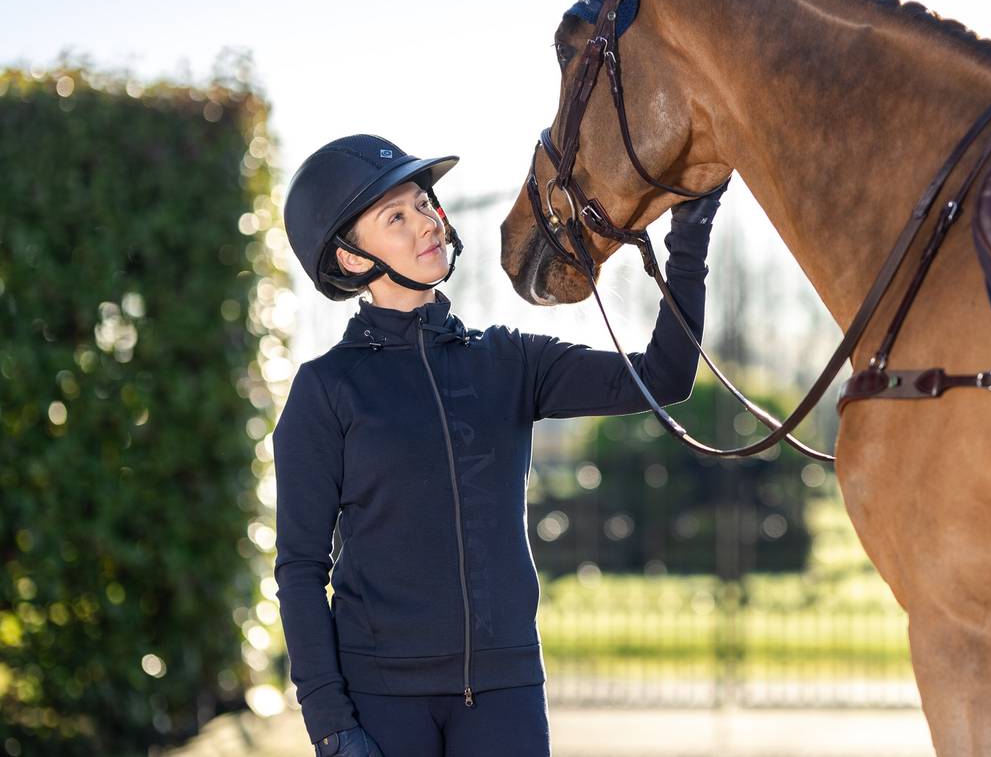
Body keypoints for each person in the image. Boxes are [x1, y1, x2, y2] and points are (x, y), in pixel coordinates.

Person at [275, 134, 724, 756]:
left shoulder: (509, 360)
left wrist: (689, 237)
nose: (426, 223)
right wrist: (331, 726)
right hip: (381, 701)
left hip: (505, 693)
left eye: (423, 204)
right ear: (352, 259)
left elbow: (663, 378)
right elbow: (300, 570)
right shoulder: (326, 389)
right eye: (395, 217)